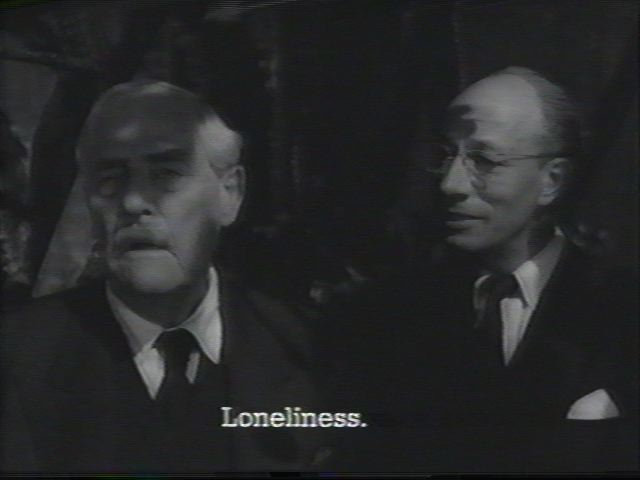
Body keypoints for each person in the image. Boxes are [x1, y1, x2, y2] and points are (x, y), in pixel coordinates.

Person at [0, 80, 332, 473]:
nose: (133, 201)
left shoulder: (313, 352)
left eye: (166, 174)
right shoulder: (16, 359)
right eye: (110, 178)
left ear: (230, 194)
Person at [397, 66, 637, 472]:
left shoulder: (624, 311)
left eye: (484, 160)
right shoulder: (392, 313)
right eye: (445, 155)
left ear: (552, 180)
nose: (450, 184)